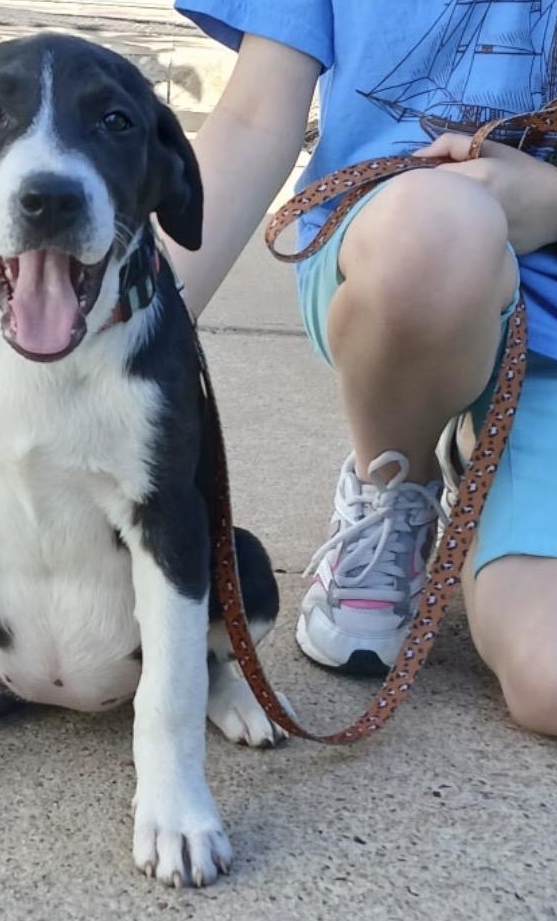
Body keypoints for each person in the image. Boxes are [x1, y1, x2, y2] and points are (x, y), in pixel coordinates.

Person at [165, 1, 557, 735]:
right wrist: (135, 324)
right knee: (435, 228)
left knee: (548, 680)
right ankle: (396, 477)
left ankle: (488, 471)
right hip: (392, 260)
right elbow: (253, 119)